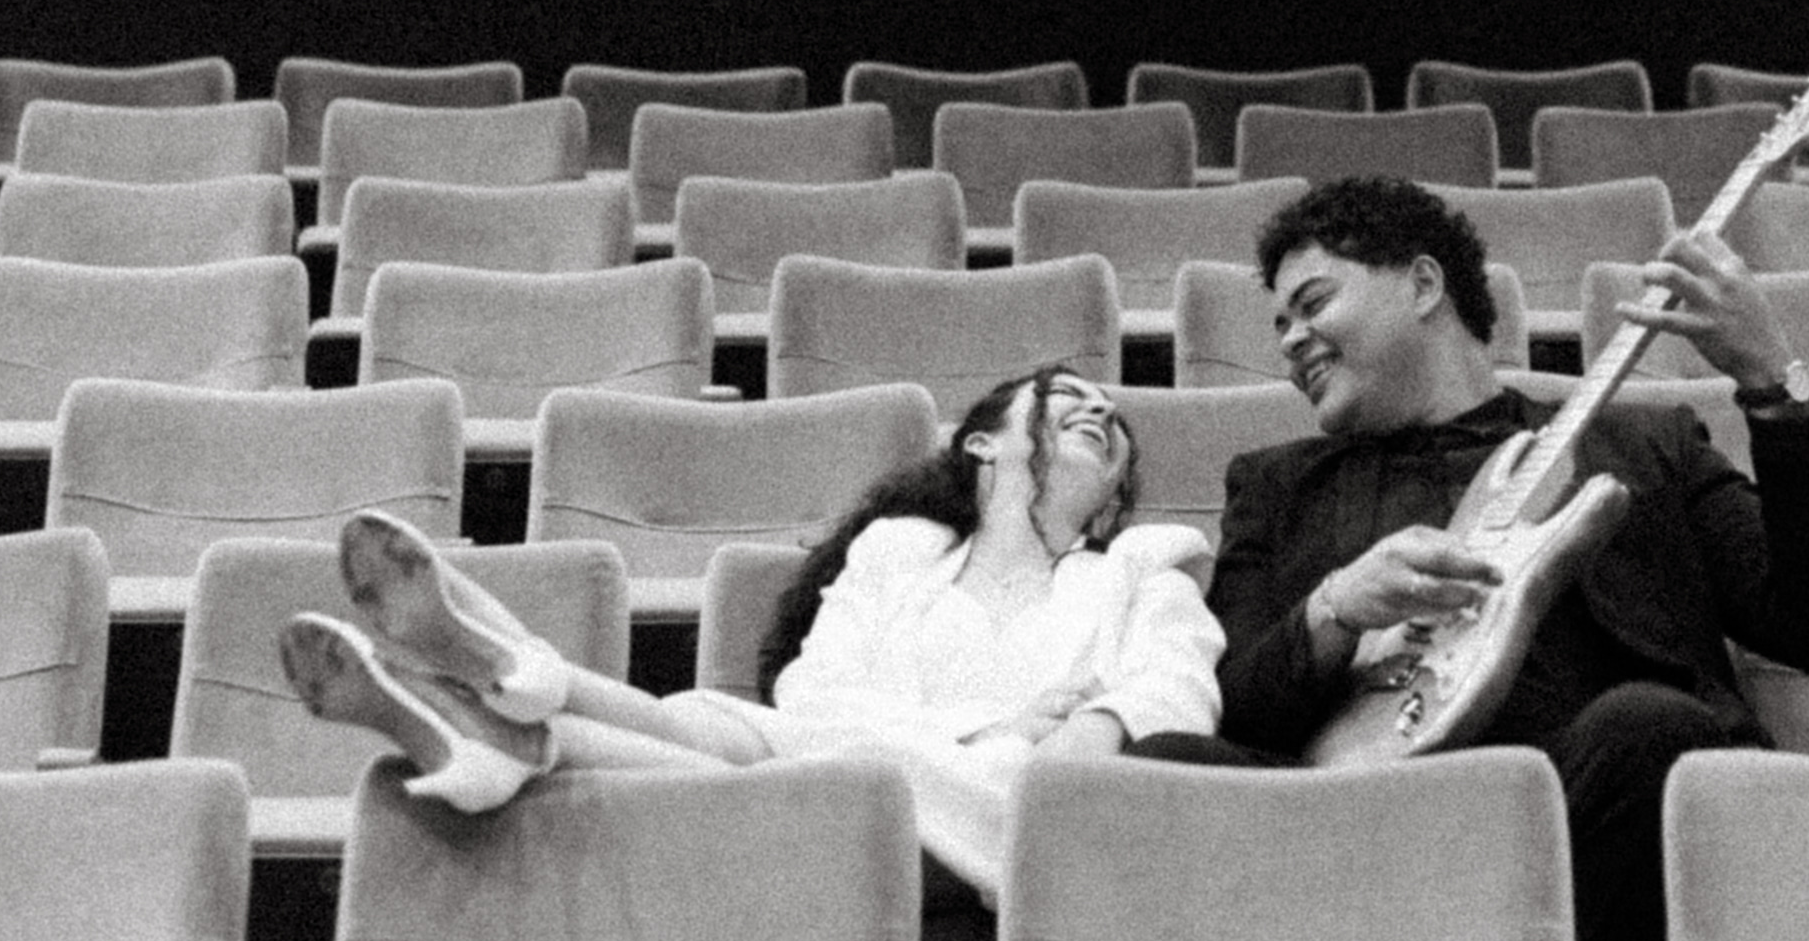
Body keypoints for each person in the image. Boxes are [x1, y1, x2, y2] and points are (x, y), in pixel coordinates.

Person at [1184, 172, 1809, 941]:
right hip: (1372, 836)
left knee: (1646, 725)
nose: (1290, 339)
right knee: (1158, 768)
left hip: (1601, 817)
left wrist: (1772, 384)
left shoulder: (1645, 445)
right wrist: (1336, 606)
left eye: (1313, 303)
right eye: (1279, 323)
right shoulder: (1277, 487)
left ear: (1424, 285)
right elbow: (1233, 707)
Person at [280, 363, 1219, 900]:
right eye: (1069, 399)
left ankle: (518, 682)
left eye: (1115, 425)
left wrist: (1059, 737)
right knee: (725, 727)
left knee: (772, 755)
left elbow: (1176, 694)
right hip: (830, 780)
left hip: (999, 812)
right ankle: (511, 720)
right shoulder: (898, 552)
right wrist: (1002, 725)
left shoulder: (1142, 571)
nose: (1102, 411)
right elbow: (811, 695)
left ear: (1114, 501)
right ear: (982, 443)